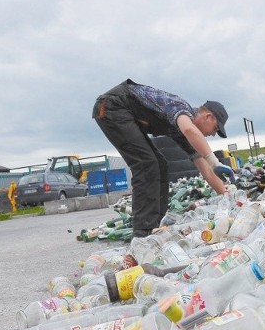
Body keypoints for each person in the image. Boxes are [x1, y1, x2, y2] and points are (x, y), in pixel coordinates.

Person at [93, 79, 235, 238]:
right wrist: (215, 161)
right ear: (208, 116)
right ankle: (143, 233)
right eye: (215, 128)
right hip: (112, 106)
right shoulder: (180, 108)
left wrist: (227, 196)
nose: (213, 134)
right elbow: (189, 129)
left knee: (160, 165)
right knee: (147, 163)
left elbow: (206, 170)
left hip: (124, 114)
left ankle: (155, 225)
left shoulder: (181, 131)